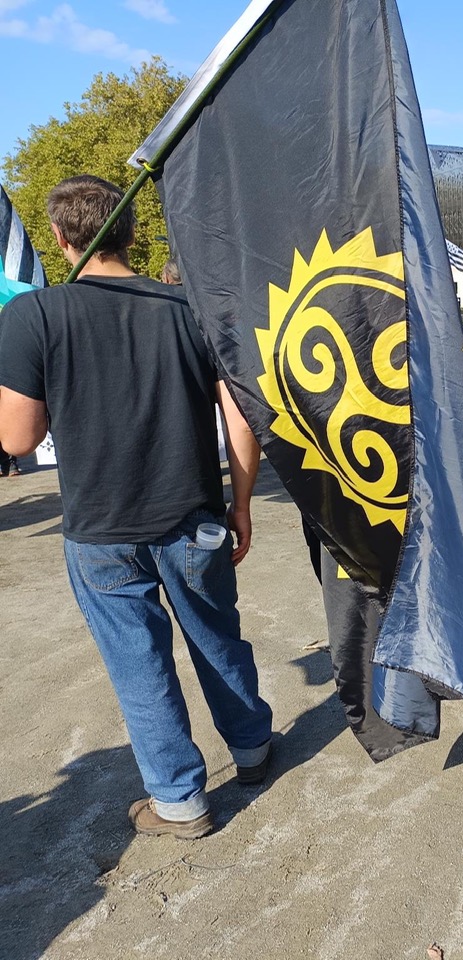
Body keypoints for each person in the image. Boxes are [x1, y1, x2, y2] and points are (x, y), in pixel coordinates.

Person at [0, 175, 272, 838]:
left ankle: (180, 802)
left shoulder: (35, 315)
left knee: (137, 659)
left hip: (100, 527)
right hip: (194, 514)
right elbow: (241, 416)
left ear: (62, 241)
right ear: (130, 233)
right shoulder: (192, 309)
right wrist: (242, 503)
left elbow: (17, 439)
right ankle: (253, 750)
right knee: (217, 638)